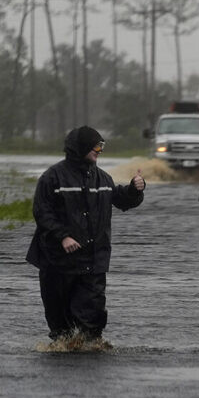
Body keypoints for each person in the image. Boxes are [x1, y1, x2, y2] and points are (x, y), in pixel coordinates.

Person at [26, 126, 146, 344]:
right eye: (97, 146)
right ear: (80, 148)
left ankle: (90, 349)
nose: (100, 151)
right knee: (60, 324)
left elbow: (122, 200)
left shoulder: (103, 179)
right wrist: (63, 236)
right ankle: (63, 350)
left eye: (102, 146)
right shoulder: (52, 178)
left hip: (93, 261)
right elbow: (42, 212)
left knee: (91, 321)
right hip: (57, 262)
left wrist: (134, 190)